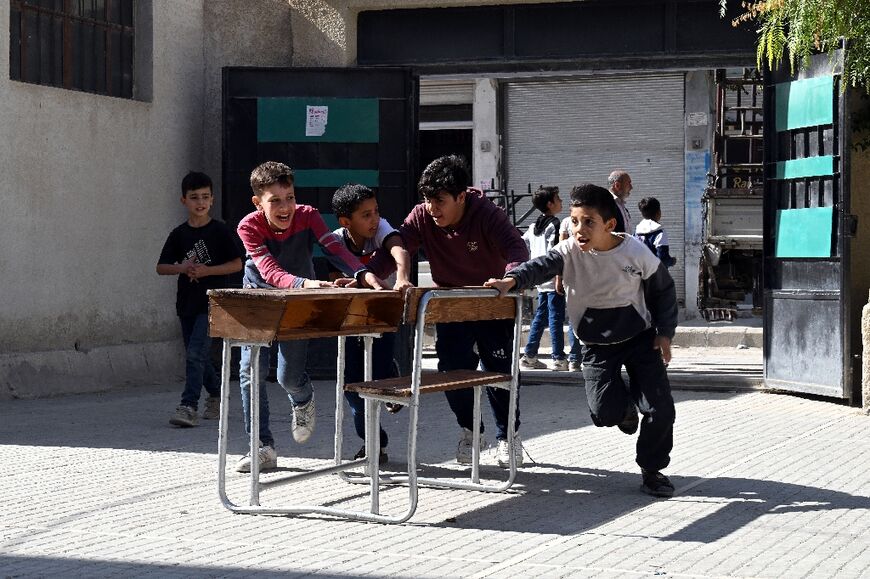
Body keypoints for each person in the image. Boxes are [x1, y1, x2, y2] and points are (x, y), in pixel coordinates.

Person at [485, 183, 678, 498]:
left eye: (588, 222)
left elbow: (663, 291)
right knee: (605, 414)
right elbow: (539, 267)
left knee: (661, 410)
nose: (579, 229)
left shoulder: (634, 251)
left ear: (609, 225)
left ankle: (652, 470)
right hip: (595, 345)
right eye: (574, 221)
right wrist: (512, 280)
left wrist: (665, 332)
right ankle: (624, 408)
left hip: (640, 339)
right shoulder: (568, 251)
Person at [366, 155, 530, 468]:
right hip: (451, 307)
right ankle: (471, 432)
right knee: (450, 372)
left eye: (439, 201)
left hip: (492, 304)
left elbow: (516, 250)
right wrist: (367, 274)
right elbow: (395, 247)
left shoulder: (487, 214)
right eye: (428, 200)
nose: (432, 208)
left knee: (500, 374)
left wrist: (510, 278)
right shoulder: (421, 217)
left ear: (461, 196)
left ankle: (508, 436)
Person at [234, 161, 387, 473]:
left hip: (298, 303)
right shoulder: (248, 226)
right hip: (260, 301)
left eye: (289, 197)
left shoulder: (308, 216)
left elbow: (334, 249)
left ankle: (302, 399)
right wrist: (305, 282)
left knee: (288, 377)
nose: (285, 207)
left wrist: (361, 273)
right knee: (251, 371)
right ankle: (261, 446)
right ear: (258, 202)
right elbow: (269, 271)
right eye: (274, 200)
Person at [331, 183, 412, 464]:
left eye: (376, 211)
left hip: (381, 314)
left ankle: (389, 370)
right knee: (352, 387)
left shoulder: (381, 229)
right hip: (351, 321)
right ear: (345, 222)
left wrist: (401, 277)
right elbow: (332, 278)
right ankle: (374, 442)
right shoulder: (334, 242)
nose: (374, 219)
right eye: (366, 215)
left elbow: (399, 250)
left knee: (378, 379)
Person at [157, 171, 244, 428]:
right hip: (186, 302)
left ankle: (188, 406)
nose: (200, 202)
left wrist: (207, 271)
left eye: (205, 197)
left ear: (212, 199)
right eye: (194, 197)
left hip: (212, 303)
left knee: (195, 353)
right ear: (184, 200)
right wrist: (183, 268)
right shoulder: (178, 234)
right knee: (198, 356)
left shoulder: (220, 231)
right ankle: (217, 394)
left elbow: (237, 264)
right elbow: (161, 267)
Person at [519, 186, 567, 371]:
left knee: (541, 317)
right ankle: (559, 358)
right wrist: (559, 278)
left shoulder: (533, 227)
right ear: (550, 203)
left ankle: (530, 356)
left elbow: (523, 244)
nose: (561, 201)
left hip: (539, 278)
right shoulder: (555, 224)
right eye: (558, 198)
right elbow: (557, 254)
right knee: (556, 318)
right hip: (553, 278)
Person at [558, 216, 582, 372]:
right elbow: (561, 250)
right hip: (577, 274)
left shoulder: (567, 222)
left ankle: (575, 358)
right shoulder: (569, 222)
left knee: (576, 316)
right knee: (576, 316)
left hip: (575, 274)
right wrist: (559, 278)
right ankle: (574, 358)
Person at [635, 197, 677, 268]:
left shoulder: (636, 232)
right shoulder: (659, 233)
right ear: (659, 213)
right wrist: (672, 261)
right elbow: (663, 260)